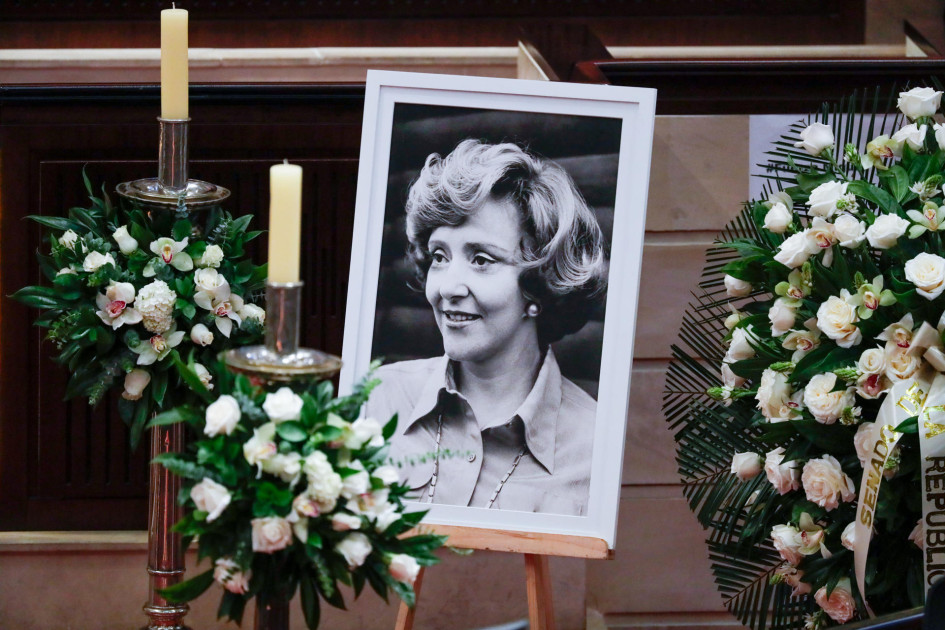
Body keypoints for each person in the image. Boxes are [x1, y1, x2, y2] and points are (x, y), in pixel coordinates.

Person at [368, 139, 607, 516]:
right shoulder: (377, 399)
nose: (447, 287)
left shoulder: (596, 448)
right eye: (439, 256)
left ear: (540, 283)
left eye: (481, 259)